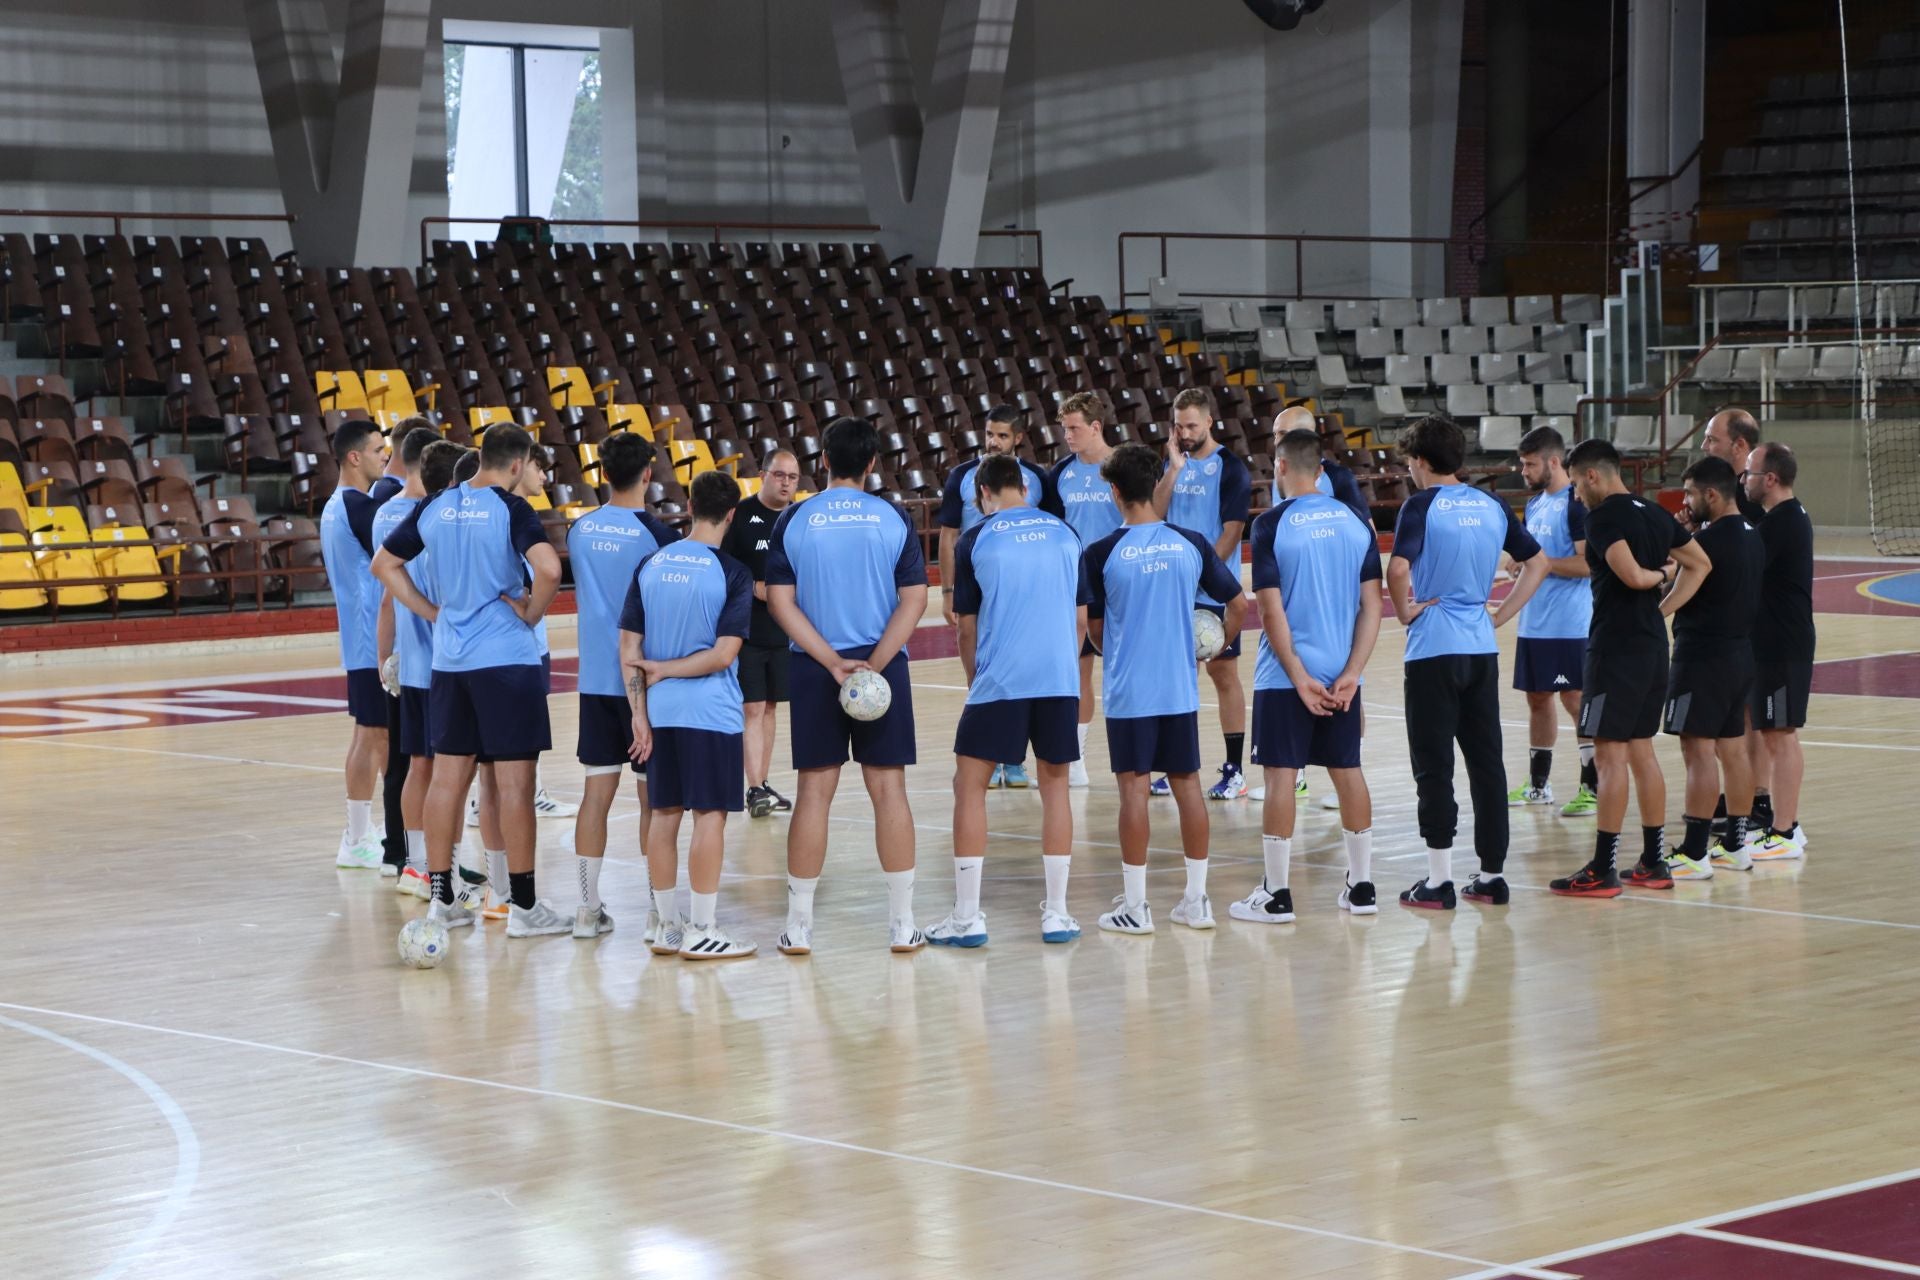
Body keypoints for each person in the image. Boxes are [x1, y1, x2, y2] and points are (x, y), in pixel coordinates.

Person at [372, 424, 573, 939]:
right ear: (516, 464)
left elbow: (385, 565)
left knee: (448, 780)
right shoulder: (511, 508)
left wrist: (431, 611)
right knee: (514, 786)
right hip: (505, 661)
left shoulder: (436, 506)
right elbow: (548, 569)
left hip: (450, 663)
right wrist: (530, 613)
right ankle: (524, 907)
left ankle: (441, 902)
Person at [766, 416, 930, 955]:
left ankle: (798, 927)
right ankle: (903, 924)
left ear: (824, 462)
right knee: (890, 791)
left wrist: (832, 662)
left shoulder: (795, 518)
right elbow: (914, 599)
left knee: (815, 793)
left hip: (816, 668)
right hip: (883, 669)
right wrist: (874, 665)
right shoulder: (893, 518)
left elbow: (780, 600)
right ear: (872, 464)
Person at [927, 454, 1090, 947]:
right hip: (1060, 680)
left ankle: (968, 916)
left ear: (982, 494)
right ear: (1024, 486)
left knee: (969, 785)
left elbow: (966, 629)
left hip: (1001, 680)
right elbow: (1081, 620)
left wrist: (978, 680)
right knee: (1056, 787)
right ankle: (1057, 914)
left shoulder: (977, 539)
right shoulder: (1066, 534)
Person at [1386, 415, 1549, 910]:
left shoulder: (1421, 505)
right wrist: (1502, 614)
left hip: (1434, 648)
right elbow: (1537, 562)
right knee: (1487, 765)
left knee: (1434, 767)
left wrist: (1405, 611)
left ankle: (1438, 880)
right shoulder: (1493, 504)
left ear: (1419, 462)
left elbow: (1397, 568)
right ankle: (1492, 876)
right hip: (1481, 648)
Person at [1085, 443, 1249, 934]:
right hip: (1179, 690)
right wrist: (1214, 650)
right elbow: (1238, 604)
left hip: (1130, 692)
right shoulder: (1191, 543)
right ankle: (1196, 901)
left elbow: (1094, 630)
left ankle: (1135, 907)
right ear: (1157, 483)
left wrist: (1113, 643)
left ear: (1114, 491)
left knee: (1133, 793)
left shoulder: (1101, 553)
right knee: (1188, 788)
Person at [1232, 426, 1383, 922]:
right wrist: (1354, 672)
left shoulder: (1271, 525)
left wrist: (1297, 674)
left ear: (1278, 469)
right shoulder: (1357, 524)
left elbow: (1270, 611)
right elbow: (1371, 607)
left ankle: (1276, 894)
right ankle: (1361, 887)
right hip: (1341, 674)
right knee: (1348, 772)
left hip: (1285, 677)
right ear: (1321, 470)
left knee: (1280, 777)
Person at [1550, 438, 1711, 897]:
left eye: (1578, 484)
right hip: (1652, 648)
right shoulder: (1653, 511)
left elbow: (1633, 576)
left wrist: (1657, 578)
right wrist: (1662, 609)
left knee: (1609, 756)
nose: (1577, 495)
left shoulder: (1601, 518)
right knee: (1642, 751)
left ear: (1593, 475)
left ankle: (1603, 868)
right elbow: (1700, 564)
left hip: (1614, 651)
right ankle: (1654, 861)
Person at [622, 471, 758, 958]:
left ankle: (666, 927)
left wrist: (638, 712)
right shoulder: (733, 573)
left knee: (663, 815)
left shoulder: (652, 563)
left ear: (689, 506)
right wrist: (669, 669)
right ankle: (702, 929)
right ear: (731, 515)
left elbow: (629, 648)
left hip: (657, 714)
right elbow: (723, 656)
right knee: (709, 816)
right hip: (710, 712)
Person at [566, 432, 680, 938]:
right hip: (643, 681)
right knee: (651, 800)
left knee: (596, 795)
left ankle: (588, 910)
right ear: (649, 475)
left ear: (602, 473)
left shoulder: (579, 529)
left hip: (594, 681)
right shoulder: (658, 536)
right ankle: (658, 911)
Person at [937, 403, 1059, 788]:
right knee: (982, 666)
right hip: (977, 588)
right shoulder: (960, 475)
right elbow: (948, 536)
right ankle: (991, 755)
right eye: (990, 433)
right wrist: (946, 590)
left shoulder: (1038, 477)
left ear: (1018, 438)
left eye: (1002, 435)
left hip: (1023, 591)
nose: (993, 441)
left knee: (1019, 673)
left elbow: (1053, 529)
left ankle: (1015, 760)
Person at [1259, 404, 1372, 809]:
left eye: (1282, 434)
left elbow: (1366, 538)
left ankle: (1331, 755)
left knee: (1335, 764)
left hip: (1321, 640)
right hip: (1327, 641)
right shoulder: (1283, 491)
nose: (1275, 441)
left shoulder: (1337, 481)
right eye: (1274, 434)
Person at [1660, 455, 1764, 880]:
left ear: (1711, 494)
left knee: (1697, 750)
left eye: (1689, 493)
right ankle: (1737, 844)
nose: (1685, 500)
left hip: (1702, 656)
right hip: (1740, 654)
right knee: (1732, 748)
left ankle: (1695, 851)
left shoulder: (1710, 542)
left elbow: (1682, 585)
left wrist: (1656, 614)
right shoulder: (1753, 535)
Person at [1153, 388, 1253, 801]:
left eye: (1192, 425)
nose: (1185, 432)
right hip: (1174, 588)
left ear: (1210, 422)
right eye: (1179, 425)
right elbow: (1155, 513)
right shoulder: (1173, 463)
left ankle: (1235, 771)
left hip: (1213, 588)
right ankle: (1179, 765)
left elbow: (1231, 531)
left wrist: (1204, 573)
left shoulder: (1230, 467)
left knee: (1222, 674)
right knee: (1179, 678)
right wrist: (1173, 470)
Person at [371, 426, 455, 900]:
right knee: (445, 771)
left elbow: (386, 599)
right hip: (443, 662)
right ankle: (439, 869)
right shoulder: (441, 519)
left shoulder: (386, 514)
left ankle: (413, 865)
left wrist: (385, 659)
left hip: (409, 658)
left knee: (412, 765)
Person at [1506, 425, 1598, 816]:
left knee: (1576, 699)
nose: (1523, 471)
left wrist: (1541, 565)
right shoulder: (1537, 504)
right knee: (1537, 698)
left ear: (1553, 461)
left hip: (1569, 623)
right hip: (1535, 622)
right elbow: (1535, 556)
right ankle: (1539, 786)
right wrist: (1521, 562)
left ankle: (1593, 786)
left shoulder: (1575, 504)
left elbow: (1588, 563)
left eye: (1529, 464)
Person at [318, 418, 391, 870]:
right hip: (370, 640)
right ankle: (367, 836)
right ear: (354, 457)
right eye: (379, 448)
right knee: (379, 738)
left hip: (359, 637)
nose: (385, 455)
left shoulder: (337, 505)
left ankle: (362, 832)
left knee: (368, 734)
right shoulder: (356, 506)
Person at [1738, 441, 1814, 861]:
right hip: (1771, 644)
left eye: (1748, 473)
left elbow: (1738, 563)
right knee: (1773, 733)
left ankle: (1785, 830)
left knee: (1781, 735)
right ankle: (1784, 828)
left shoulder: (1783, 522)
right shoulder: (1780, 518)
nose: (1743, 480)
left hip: (1782, 645)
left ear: (1769, 479)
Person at [1048, 391, 1122, 789]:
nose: (1067, 436)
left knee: (1126, 668)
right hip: (1077, 584)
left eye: (1074, 428)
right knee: (1080, 670)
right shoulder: (1060, 473)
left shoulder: (1121, 467)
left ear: (1096, 427)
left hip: (1121, 580)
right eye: (1064, 429)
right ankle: (1076, 758)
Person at [721, 447, 801, 817]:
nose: (786, 483)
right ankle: (753, 788)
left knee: (769, 707)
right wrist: (752, 585)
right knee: (752, 706)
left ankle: (761, 780)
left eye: (793, 477)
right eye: (779, 475)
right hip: (747, 628)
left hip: (785, 630)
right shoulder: (741, 516)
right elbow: (722, 564)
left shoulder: (799, 518)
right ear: (763, 476)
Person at [368, 422, 412, 877]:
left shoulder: (383, 507)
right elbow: (389, 594)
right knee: (425, 764)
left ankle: (395, 852)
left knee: (398, 759)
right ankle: (424, 862)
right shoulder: (420, 514)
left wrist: (383, 658)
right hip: (425, 659)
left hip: (397, 654)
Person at [1699, 408, 1766, 524]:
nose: (1703, 446)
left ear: (1739, 445)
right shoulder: (1723, 488)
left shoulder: (1754, 496)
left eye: (1711, 439)